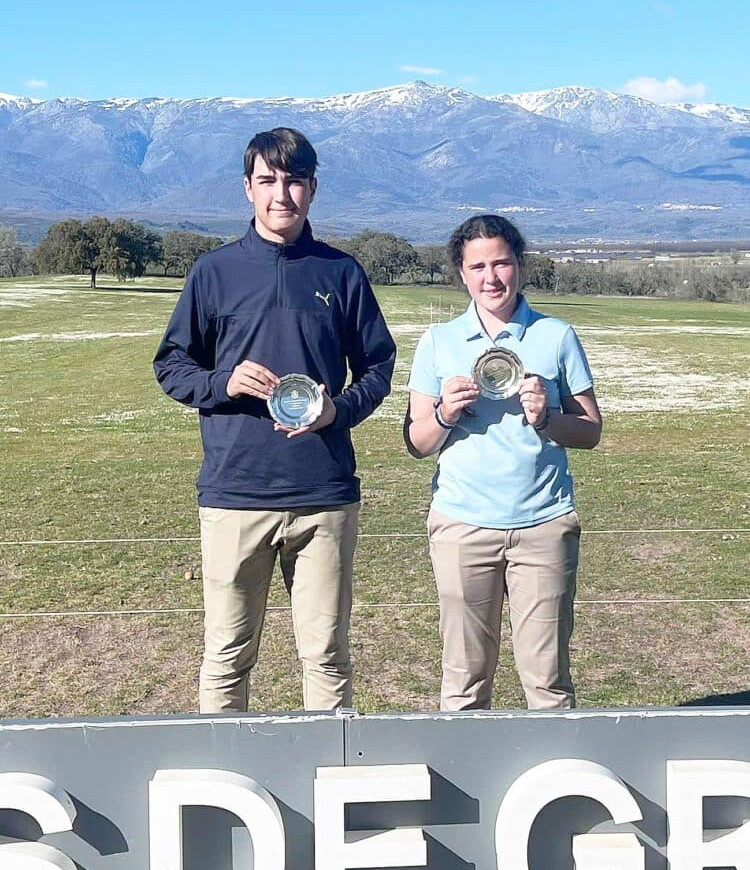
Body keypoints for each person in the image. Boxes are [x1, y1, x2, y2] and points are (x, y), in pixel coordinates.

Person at [154, 127, 396, 713]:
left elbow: (379, 365)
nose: (280, 194)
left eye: (293, 181)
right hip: (236, 494)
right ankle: (220, 787)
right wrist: (223, 382)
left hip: (324, 496)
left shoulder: (342, 273)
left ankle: (329, 785)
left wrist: (338, 410)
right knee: (228, 655)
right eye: (267, 180)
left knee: (327, 656)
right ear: (247, 188)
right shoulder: (213, 273)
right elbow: (171, 366)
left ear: (312, 189)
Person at [404, 214, 602, 712]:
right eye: (478, 267)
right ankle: (465, 788)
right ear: (461, 272)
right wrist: (445, 412)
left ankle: (560, 787)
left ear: (519, 265)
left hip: (543, 526)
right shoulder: (438, 342)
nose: (491, 277)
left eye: (502, 263)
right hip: (462, 527)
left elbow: (591, 431)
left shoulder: (556, 336)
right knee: (464, 682)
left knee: (548, 682)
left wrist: (546, 418)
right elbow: (416, 441)